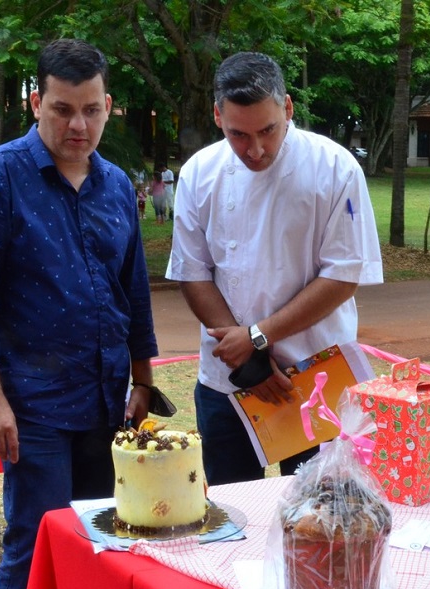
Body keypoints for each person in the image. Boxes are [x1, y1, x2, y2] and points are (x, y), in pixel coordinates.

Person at [0, 38, 158, 589]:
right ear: (37, 103)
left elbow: (132, 289)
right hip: (31, 403)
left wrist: (143, 378)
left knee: (99, 542)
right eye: (63, 109)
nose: (78, 125)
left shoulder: (115, 186)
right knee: (36, 545)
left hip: (105, 400)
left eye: (91, 110)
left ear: (108, 106)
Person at [166, 51, 382, 486]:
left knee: (321, 511)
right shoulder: (199, 173)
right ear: (217, 116)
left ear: (287, 108)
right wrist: (250, 361)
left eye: (268, 130)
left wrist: (257, 338)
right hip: (227, 380)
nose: (256, 149)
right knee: (232, 507)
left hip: (315, 376)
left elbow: (343, 275)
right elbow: (193, 271)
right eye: (238, 134)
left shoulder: (334, 168)